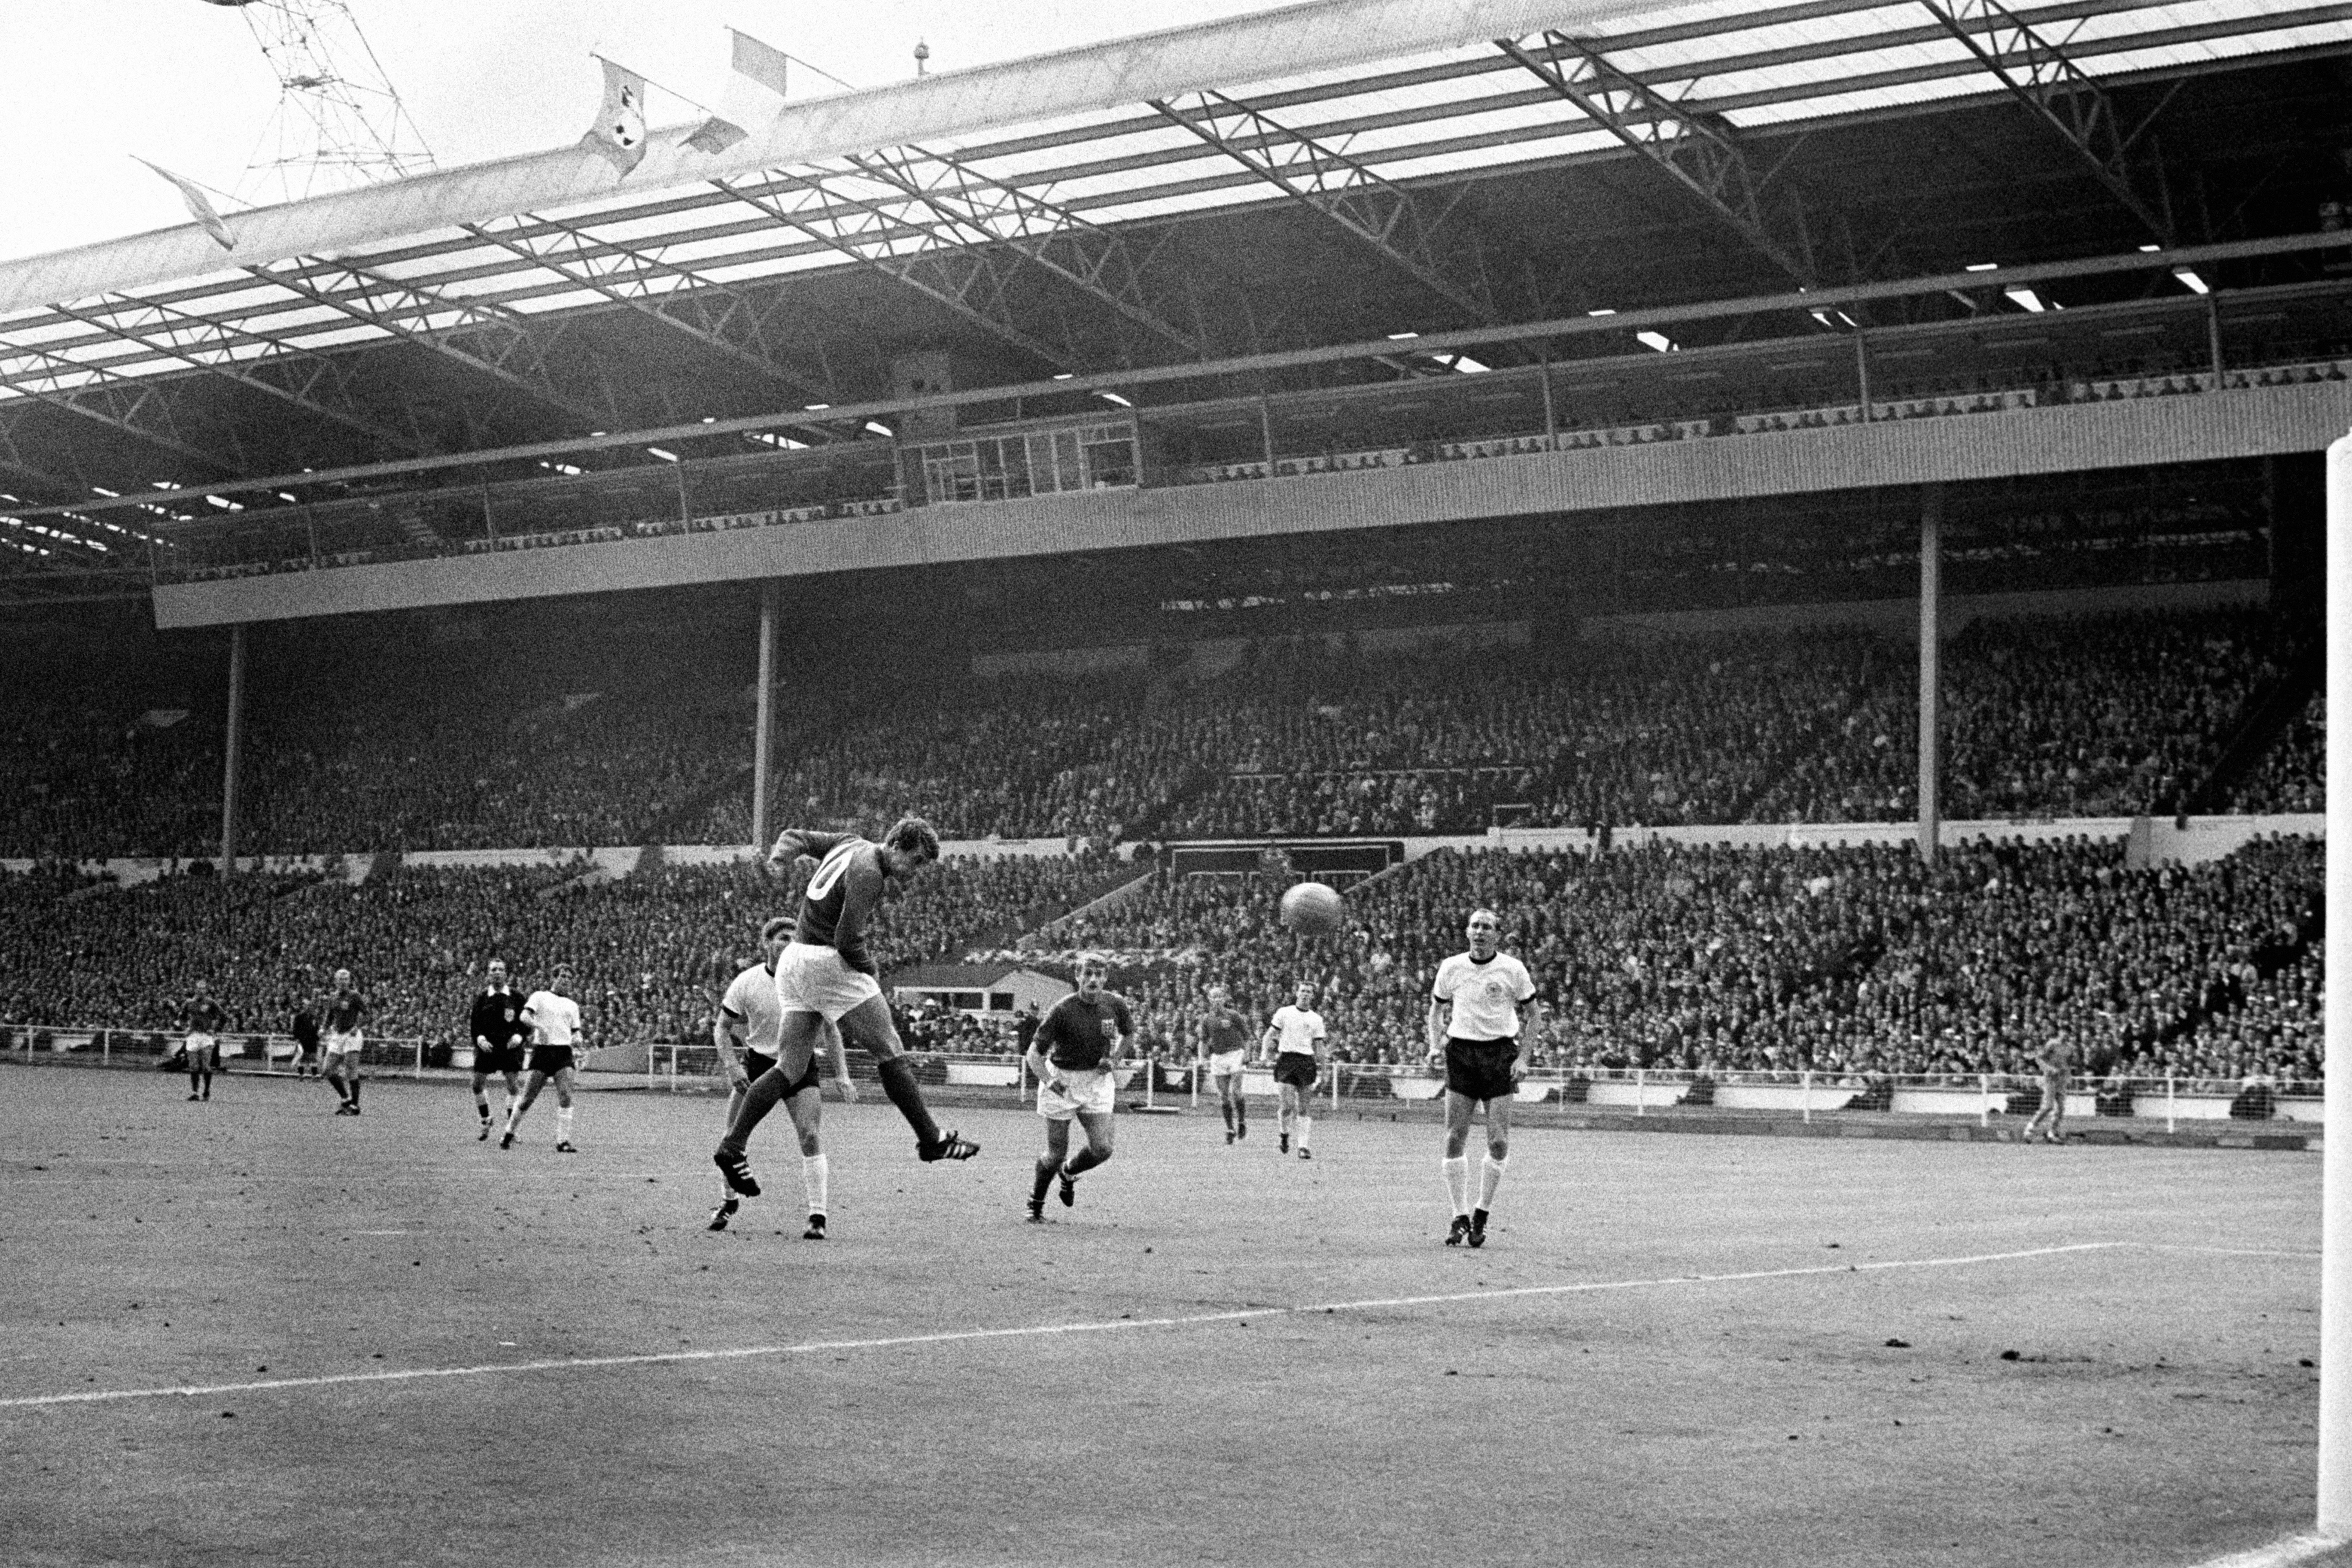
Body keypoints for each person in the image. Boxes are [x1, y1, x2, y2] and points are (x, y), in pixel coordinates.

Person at [713, 818, 979, 1198]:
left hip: (795, 961)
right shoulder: (871, 873)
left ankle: (733, 1146)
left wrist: (779, 859)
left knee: (789, 1066)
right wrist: (870, 970)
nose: (916, 871)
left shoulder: (849, 843)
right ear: (897, 845)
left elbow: (797, 836)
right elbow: (848, 938)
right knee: (890, 1048)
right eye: (916, 861)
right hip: (824, 959)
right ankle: (930, 1138)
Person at [710, 916, 857, 1238]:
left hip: (800, 1066)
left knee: (810, 1135)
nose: (789, 943)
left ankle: (818, 1217)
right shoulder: (747, 981)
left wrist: (842, 1074)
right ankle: (728, 1201)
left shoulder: (810, 981)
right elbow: (722, 1027)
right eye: (782, 937)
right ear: (768, 943)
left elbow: (831, 1030)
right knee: (732, 1138)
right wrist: (733, 1067)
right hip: (758, 1066)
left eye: (794, 938)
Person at [1427, 907, 1542, 1249]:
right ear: (1467, 932)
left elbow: (1533, 1014)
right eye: (1475, 926)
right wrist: (1436, 1046)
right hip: (1461, 1053)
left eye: (1487, 927)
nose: (1479, 931)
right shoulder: (1452, 967)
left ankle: (1482, 1214)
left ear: (1497, 934)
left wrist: (1523, 1057)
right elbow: (1436, 1009)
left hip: (1499, 1055)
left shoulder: (1512, 968)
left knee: (1498, 1142)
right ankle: (1459, 1216)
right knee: (1454, 1137)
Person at [1023, 953, 1133, 1222]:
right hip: (1063, 1080)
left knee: (1103, 1149)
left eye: (1099, 974)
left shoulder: (1115, 1004)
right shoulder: (1062, 1010)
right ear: (1078, 976)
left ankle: (1069, 1172)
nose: (1093, 979)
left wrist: (1115, 1060)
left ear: (1106, 977)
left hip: (1096, 1080)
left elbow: (1129, 1034)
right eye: (1088, 974)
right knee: (1055, 1154)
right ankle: (1035, 1204)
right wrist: (1051, 1083)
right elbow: (1033, 1056)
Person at [503, 964, 584, 1152]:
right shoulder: (540, 996)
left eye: (569, 978)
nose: (566, 980)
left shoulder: (573, 1006)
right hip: (543, 1053)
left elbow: (576, 1032)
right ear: (554, 978)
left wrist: (578, 1038)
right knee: (527, 1100)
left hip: (563, 1053)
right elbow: (524, 1016)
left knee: (566, 1096)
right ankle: (508, 1133)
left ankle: (562, 1142)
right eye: (563, 976)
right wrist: (539, 1027)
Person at [1261, 981, 1327, 1160]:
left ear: (1313, 996)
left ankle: (1303, 1147)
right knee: (1287, 1107)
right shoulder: (1285, 1013)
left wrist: (1326, 1071)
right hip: (1287, 1060)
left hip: (1306, 1062)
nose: (1305, 994)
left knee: (1304, 1108)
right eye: (1303, 991)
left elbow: (1320, 1047)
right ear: (1297, 993)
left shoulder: (1316, 1019)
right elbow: (1269, 1035)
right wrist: (1265, 1056)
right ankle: (1284, 1135)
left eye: (1309, 992)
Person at [468, 959, 529, 1142]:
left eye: (501, 970)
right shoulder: (482, 998)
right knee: (477, 1085)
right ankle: (486, 1120)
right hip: (487, 1047)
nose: (497, 972)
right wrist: (479, 1038)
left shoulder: (517, 997)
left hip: (510, 1047)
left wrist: (520, 1036)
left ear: (506, 974)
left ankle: (512, 1128)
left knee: (513, 1086)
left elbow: (526, 1021)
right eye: (493, 970)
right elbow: (475, 1024)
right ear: (488, 974)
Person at [1198, 984, 1252, 1145]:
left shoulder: (1234, 1015)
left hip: (1235, 1054)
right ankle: (1230, 1129)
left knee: (1236, 1092)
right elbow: (1203, 1041)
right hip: (1218, 1058)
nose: (1217, 1000)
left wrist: (1247, 1054)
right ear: (1209, 1000)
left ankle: (1241, 1121)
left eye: (1220, 997)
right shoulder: (1207, 1019)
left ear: (1225, 999)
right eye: (1214, 997)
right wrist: (1202, 1058)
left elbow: (1247, 1036)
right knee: (1223, 1096)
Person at [320, 969, 367, 1116]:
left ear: (350, 981)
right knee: (327, 1070)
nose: (343, 982)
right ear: (336, 981)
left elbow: (368, 1014)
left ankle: (355, 1106)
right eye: (340, 979)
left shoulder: (355, 996)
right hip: (338, 1036)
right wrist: (324, 1028)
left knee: (350, 1068)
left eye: (346, 979)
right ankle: (346, 1099)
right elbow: (329, 1016)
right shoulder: (333, 997)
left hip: (352, 1035)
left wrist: (357, 1027)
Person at [177, 980, 230, 1102]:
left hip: (206, 1036)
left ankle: (206, 1091)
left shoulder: (211, 1003)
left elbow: (224, 1016)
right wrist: (185, 1028)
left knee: (206, 1066)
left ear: (206, 990)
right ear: (195, 989)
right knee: (193, 1066)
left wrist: (216, 1030)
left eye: (203, 989)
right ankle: (195, 1093)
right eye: (199, 989)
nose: (201, 991)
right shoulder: (189, 1003)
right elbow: (181, 1017)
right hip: (193, 1036)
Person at [2024, 1033, 2073, 1145]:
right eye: (2063, 1032)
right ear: (2060, 1033)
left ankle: (2052, 1133)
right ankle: (2029, 1128)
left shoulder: (2070, 1049)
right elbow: (2040, 1059)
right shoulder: (2052, 1045)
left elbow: (2067, 1064)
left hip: (2062, 1081)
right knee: (2048, 1107)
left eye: (2067, 1032)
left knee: (2061, 1109)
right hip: (2050, 1080)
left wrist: (2068, 1077)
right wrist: (2050, 1069)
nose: (2065, 1035)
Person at [288, 998, 321, 1080]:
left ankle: (314, 1076)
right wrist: (297, 1038)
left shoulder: (314, 1017)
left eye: (309, 1005)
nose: (307, 1007)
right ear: (303, 1006)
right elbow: (295, 1029)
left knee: (313, 1058)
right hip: (303, 1040)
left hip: (312, 1040)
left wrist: (317, 1038)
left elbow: (317, 1028)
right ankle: (301, 1075)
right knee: (302, 1057)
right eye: (305, 1005)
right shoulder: (299, 1017)